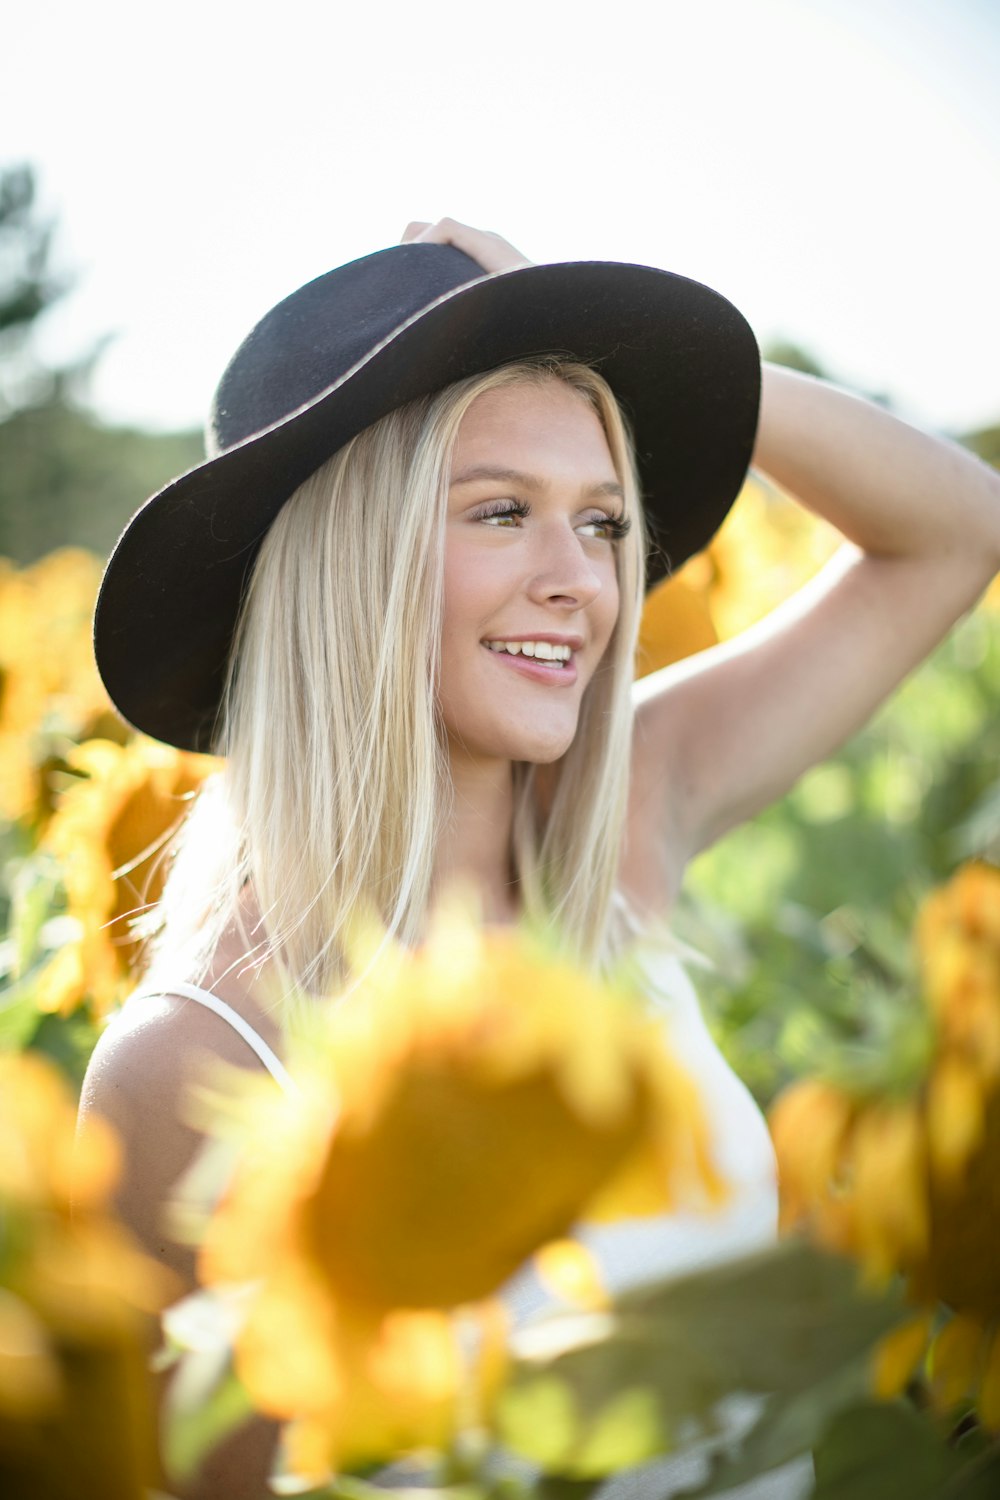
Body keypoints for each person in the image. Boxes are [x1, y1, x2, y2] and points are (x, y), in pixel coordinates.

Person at [79, 219, 1000, 1498]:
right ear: (354, 557)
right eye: (502, 512)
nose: (582, 581)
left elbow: (957, 529)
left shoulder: (612, 841)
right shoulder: (202, 1059)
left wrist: (630, 345)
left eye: (605, 521)